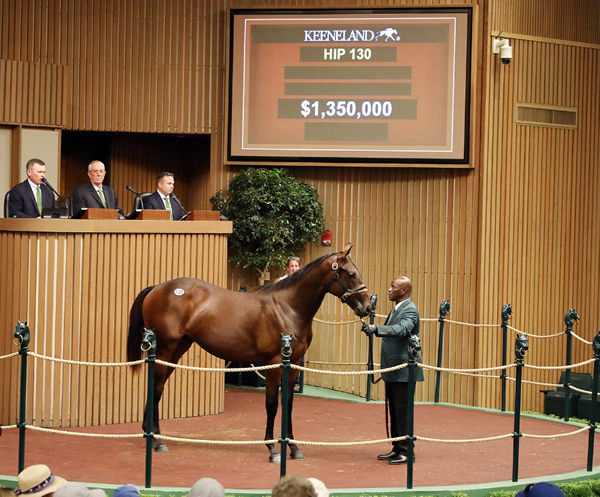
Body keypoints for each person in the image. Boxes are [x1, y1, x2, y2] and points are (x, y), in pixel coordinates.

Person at [361, 275, 424, 465]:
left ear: (403, 291)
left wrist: (376, 329)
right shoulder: (397, 308)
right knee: (394, 411)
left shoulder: (410, 310)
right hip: (393, 370)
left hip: (404, 371)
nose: (389, 289)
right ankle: (397, 448)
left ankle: (407, 451)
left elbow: (402, 329)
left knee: (402, 412)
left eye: (393, 287)